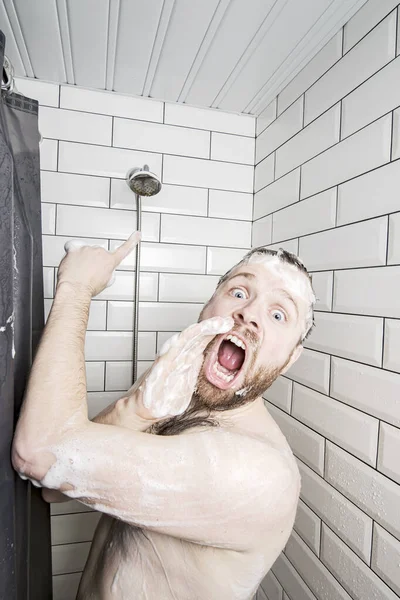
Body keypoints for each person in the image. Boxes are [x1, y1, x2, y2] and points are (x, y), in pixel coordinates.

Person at [12, 231, 316, 600]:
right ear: (207, 308)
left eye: (278, 314)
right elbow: (52, 491)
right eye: (239, 292)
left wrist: (76, 287)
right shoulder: (173, 391)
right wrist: (139, 408)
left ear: (289, 359)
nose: (248, 313)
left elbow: (39, 453)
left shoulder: (258, 472)